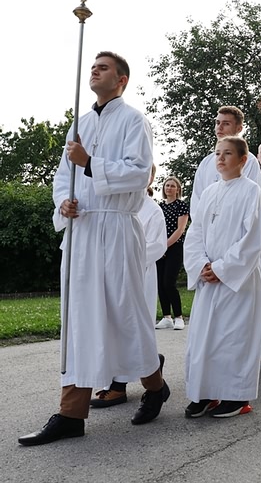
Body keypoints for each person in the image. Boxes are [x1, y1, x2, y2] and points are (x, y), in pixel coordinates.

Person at [19, 52, 169, 446]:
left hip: (116, 228)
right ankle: (71, 412)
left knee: (125, 314)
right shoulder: (79, 124)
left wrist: (90, 163)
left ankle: (155, 385)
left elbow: (139, 173)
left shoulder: (135, 121)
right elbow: (59, 178)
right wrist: (63, 203)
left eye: (103, 67)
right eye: (93, 66)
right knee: (79, 318)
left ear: (121, 80)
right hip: (82, 229)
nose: (94, 71)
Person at [184, 136, 261, 418]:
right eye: (217, 153)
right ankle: (205, 392)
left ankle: (236, 396)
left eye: (228, 153)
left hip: (237, 282)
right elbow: (194, 234)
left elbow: (254, 237)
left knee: (233, 338)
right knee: (204, 338)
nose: (220, 158)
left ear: (243, 160)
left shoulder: (251, 191)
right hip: (209, 279)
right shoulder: (209, 193)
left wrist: (222, 268)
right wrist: (201, 265)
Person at [90, 164, 168, 408]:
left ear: (150, 178)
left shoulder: (152, 210)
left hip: (138, 273)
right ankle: (149, 363)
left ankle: (119, 386)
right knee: (111, 325)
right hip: (111, 270)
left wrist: (128, 257)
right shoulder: (113, 201)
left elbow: (158, 245)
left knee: (129, 326)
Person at [190, 105, 261, 221]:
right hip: (206, 229)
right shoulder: (206, 162)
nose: (220, 128)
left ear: (239, 128)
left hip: (233, 226)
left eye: (226, 123)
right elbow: (197, 199)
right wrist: (201, 226)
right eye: (218, 123)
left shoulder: (249, 161)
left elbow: (249, 200)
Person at [155, 176, 189, 330]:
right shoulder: (159, 207)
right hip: (160, 247)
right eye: (166, 185)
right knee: (160, 284)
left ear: (178, 189)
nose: (169, 188)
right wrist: (159, 246)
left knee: (169, 282)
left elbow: (180, 229)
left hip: (174, 247)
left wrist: (165, 246)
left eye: (172, 186)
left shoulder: (181, 206)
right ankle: (166, 316)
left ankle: (178, 317)